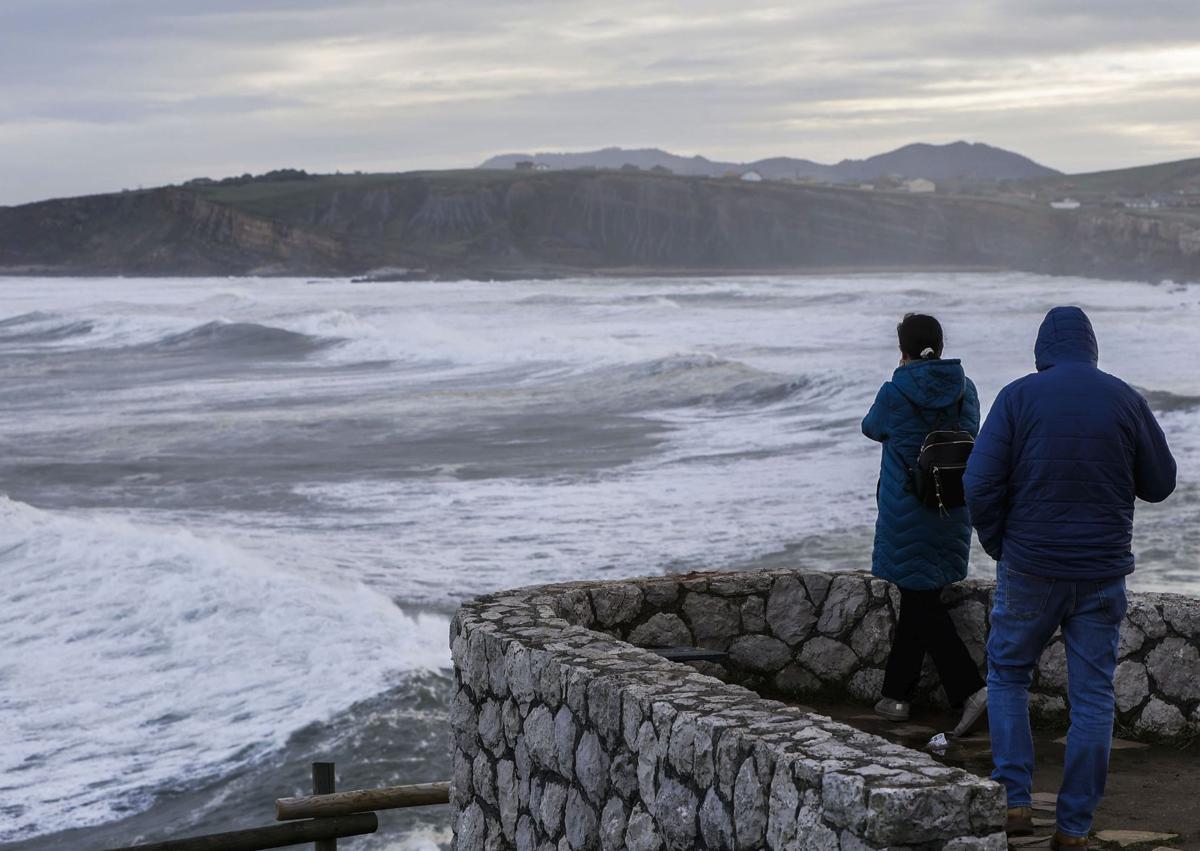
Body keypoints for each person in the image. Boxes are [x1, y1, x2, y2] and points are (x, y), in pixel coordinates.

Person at [964, 306, 1176, 850]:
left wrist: (998, 544)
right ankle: (1074, 828)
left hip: (1031, 567)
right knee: (1092, 697)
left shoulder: (1017, 397)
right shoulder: (1125, 398)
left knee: (1008, 675)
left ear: (1043, 350)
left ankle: (1014, 800)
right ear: (1091, 346)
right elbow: (1161, 483)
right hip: (1102, 573)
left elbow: (979, 482)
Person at [862, 313, 988, 737]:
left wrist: (901, 379)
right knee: (920, 597)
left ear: (904, 349)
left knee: (920, 598)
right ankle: (896, 696)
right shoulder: (964, 389)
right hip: (951, 507)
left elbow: (871, 428)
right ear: (940, 344)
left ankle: (970, 689)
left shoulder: (895, 392)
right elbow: (971, 432)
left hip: (909, 510)